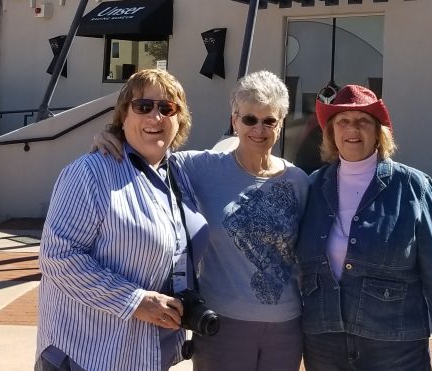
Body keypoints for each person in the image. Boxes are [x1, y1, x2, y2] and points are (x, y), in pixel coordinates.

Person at [94, 70, 308, 371]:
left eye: (269, 120)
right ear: (234, 120)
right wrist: (112, 134)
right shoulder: (199, 167)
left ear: (280, 123)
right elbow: (148, 147)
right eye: (249, 119)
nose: (259, 129)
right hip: (222, 325)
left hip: (286, 326)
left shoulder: (299, 181)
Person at [36, 68, 208, 371]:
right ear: (123, 115)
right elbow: (58, 257)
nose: (155, 116)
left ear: (180, 119)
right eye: (143, 107)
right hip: (89, 353)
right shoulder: (90, 173)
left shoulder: (180, 173)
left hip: (147, 353)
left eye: (167, 108)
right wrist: (134, 301)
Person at [298, 84, 432, 371]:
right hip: (325, 343)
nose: (353, 129)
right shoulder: (313, 185)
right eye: (343, 121)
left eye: (363, 121)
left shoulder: (412, 186)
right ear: (331, 132)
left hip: (395, 346)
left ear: (378, 132)